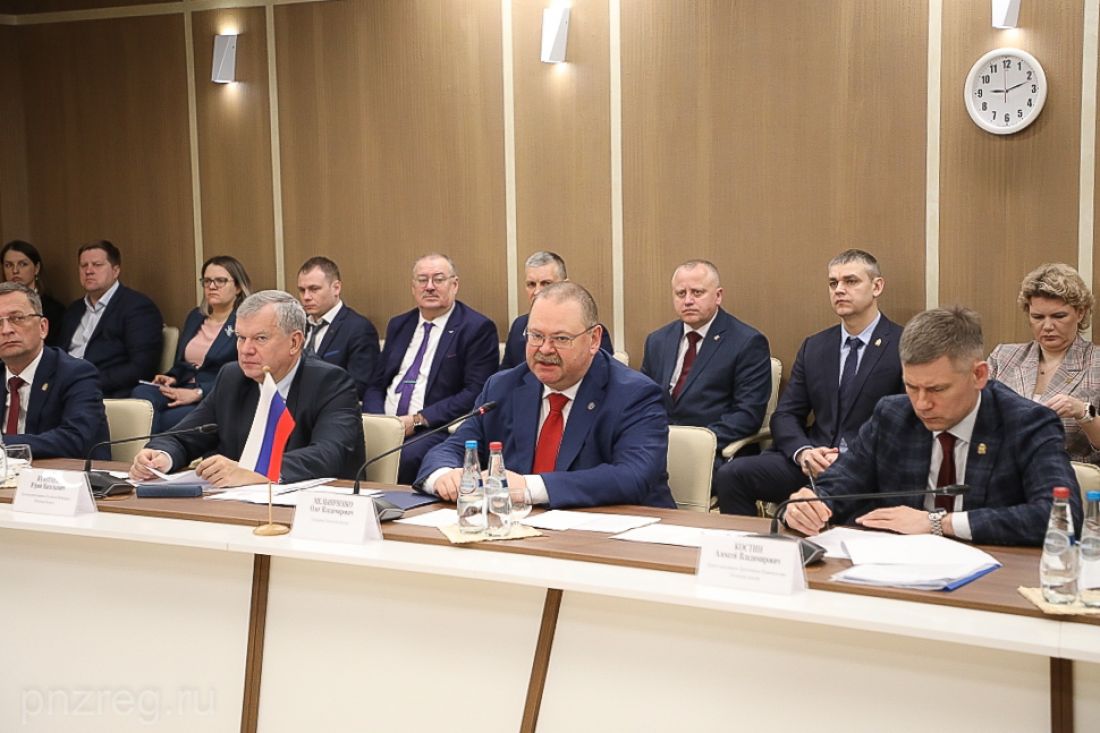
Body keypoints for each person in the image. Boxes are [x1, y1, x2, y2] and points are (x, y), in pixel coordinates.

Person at [783, 306, 1082, 547]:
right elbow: (841, 485)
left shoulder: (1027, 422)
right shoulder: (892, 415)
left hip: (993, 572)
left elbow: (1063, 517)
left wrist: (937, 523)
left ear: (978, 375)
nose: (922, 404)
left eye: (937, 389)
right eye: (912, 387)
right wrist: (809, 504)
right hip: (898, 568)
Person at [417, 281, 675, 509]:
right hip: (524, 531)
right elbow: (453, 448)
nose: (545, 349)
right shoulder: (502, 387)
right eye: (536, 336)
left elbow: (632, 476)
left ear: (594, 339)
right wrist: (443, 476)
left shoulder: (635, 394)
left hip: (619, 533)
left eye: (561, 338)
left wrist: (529, 488)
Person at [714, 249, 904, 515]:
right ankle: (753, 542)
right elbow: (786, 414)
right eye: (833, 283)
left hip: (867, 469)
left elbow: (907, 424)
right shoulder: (815, 346)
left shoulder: (903, 345)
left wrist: (851, 458)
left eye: (851, 281)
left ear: (877, 287)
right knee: (732, 475)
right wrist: (803, 452)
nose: (839, 290)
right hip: (812, 461)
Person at [129, 291, 365, 486]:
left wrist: (254, 470)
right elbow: (184, 436)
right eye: (241, 338)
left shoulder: (330, 382)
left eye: (260, 338)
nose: (245, 350)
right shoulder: (232, 377)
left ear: (294, 342)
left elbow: (328, 455)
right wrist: (160, 456)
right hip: (239, 506)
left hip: (316, 509)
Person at [363, 254, 499, 484]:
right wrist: (378, 421)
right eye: (422, 280)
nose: (429, 287)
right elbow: (376, 384)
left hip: (433, 427)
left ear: (454, 285)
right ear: (413, 287)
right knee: (345, 447)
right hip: (386, 423)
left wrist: (418, 419)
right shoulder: (399, 324)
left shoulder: (476, 328)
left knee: (403, 458)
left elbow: (474, 392)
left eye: (438, 279)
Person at [640, 260, 771, 466]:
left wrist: (694, 444)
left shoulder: (747, 342)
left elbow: (747, 415)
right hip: (657, 447)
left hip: (714, 452)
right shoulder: (657, 340)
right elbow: (643, 401)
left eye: (697, 292)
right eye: (681, 293)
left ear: (718, 296)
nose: (688, 301)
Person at [988, 263, 1100, 464]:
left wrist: (1083, 413)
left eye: (1059, 316)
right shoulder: (1003, 357)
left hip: (1069, 475)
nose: (1047, 326)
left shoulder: (1096, 363)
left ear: (1080, 313)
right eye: (1038, 317)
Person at [131, 256, 251, 433]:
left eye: (220, 281)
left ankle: (151, 449)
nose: (212, 286)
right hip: (183, 386)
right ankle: (149, 448)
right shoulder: (196, 316)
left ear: (238, 287)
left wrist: (198, 393)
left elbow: (244, 372)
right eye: (207, 281)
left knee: (167, 419)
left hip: (215, 394)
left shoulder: (245, 321)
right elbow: (184, 362)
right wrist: (173, 377)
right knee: (142, 395)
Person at [0, 283, 109, 459]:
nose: (6, 330)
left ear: (43, 327)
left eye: (17, 318)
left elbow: (74, 439)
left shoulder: (77, 374)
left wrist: (2, 444)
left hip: (67, 474)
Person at [57, 240, 163, 397]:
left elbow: (141, 367)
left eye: (97, 265)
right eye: (84, 265)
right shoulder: (74, 310)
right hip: (64, 388)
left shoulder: (138, 307)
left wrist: (86, 382)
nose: (89, 271)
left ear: (115, 271)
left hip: (105, 391)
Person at [499, 251, 613, 370]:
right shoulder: (519, 326)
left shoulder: (589, 331)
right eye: (531, 284)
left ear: (565, 286)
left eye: (546, 284)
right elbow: (505, 375)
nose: (537, 292)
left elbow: (599, 376)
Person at [295, 256, 380, 402]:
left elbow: (358, 386)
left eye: (314, 289)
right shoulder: (297, 326)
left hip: (330, 407)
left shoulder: (358, 329)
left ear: (336, 288)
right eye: (302, 290)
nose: (306, 297)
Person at [1, 240, 65, 346]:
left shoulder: (55, 310)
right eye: (8, 265)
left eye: (23, 264)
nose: (15, 270)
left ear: (36, 268)